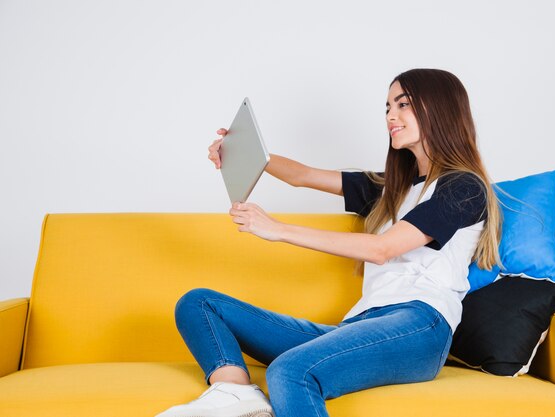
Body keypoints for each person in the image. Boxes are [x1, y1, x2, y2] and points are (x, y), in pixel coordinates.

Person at [156, 68, 502, 417]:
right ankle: (236, 394)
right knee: (199, 303)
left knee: (291, 371)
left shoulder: (464, 186)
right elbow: (302, 175)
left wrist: (278, 229)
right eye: (387, 107)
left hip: (420, 326)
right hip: (360, 324)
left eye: (403, 104)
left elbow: (381, 249)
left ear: (440, 109)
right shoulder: (392, 188)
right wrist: (238, 149)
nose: (390, 117)